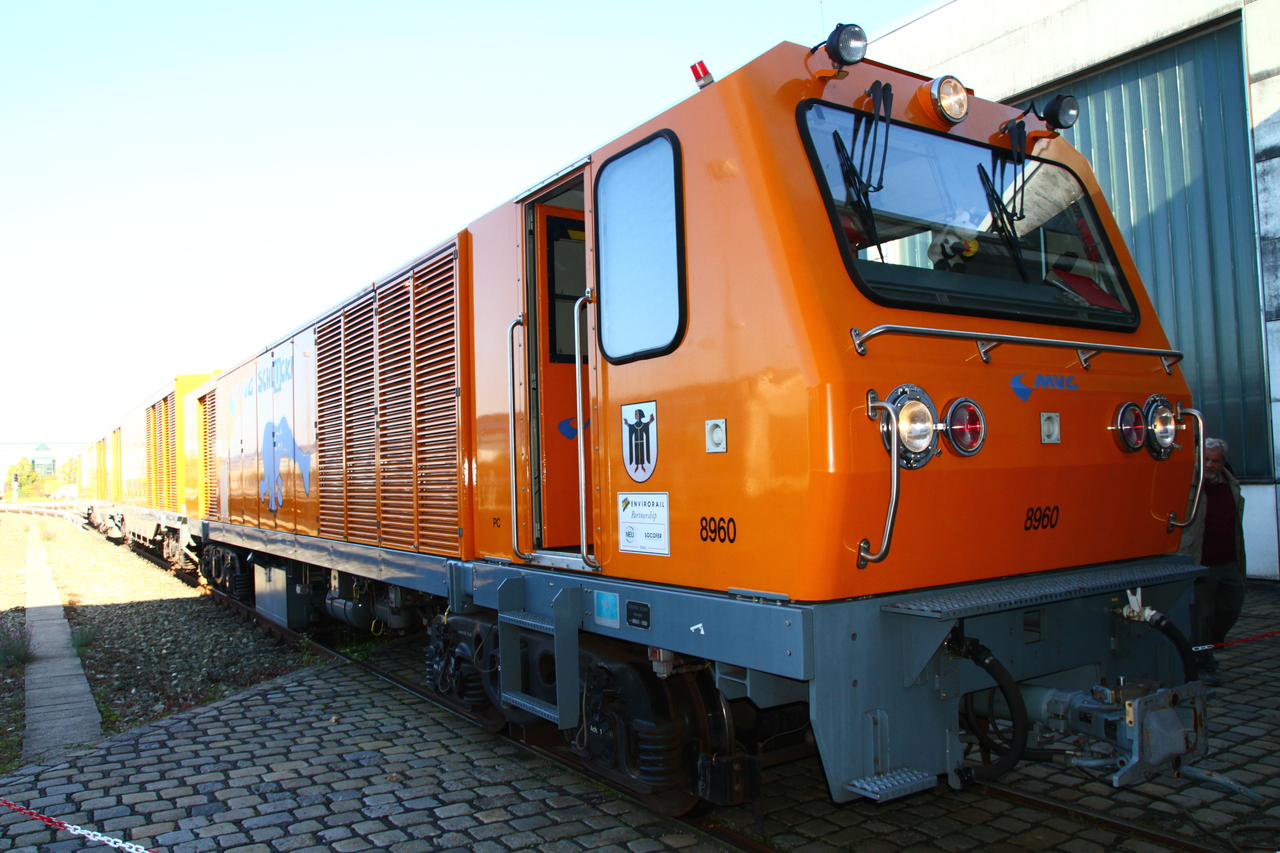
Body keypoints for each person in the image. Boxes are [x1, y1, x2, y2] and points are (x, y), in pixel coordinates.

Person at [1179, 437, 1246, 686]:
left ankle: (1212, 642)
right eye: (1205, 459)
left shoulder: (1231, 485)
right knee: (1201, 617)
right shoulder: (1189, 483)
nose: (1210, 465)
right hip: (1201, 562)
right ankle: (1204, 664)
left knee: (1231, 608)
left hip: (1229, 560)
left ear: (1223, 462)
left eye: (1215, 461)